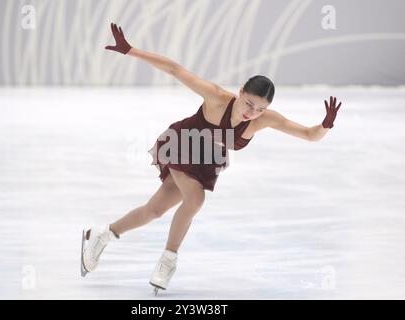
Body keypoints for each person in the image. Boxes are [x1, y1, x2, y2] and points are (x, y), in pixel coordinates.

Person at [81, 22, 342, 294]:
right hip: (182, 143)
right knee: (195, 199)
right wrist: (130, 50)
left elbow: (311, 135)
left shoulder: (263, 121)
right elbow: (175, 69)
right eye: (248, 103)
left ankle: (102, 234)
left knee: (155, 209)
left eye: (260, 109)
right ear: (240, 91)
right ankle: (168, 260)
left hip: (205, 160)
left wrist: (326, 125)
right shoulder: (216, 97)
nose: (251, 112)